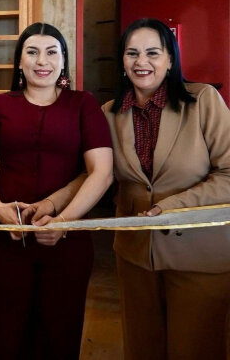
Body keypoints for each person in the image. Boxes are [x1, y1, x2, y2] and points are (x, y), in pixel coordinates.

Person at [0, 22, 114, 360]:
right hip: (7, 236)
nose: (42, 61)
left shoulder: (83, 104)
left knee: (60, 333)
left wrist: (64, 220)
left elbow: (102, 172)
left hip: (68, 240)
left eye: (52, 52)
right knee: (7, 332)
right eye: (32, 52)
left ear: (63, 60)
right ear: (19, 61)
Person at [101, 18, 230, 360]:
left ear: (170, 59)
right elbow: (95, 176)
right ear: (122, 60)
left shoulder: (204, 101)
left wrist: (173, 207)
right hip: (135, 256)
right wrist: (54, 208)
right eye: (132, 53)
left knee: (195, 349)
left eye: (152, 53)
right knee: (142, 349)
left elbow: (229, 173)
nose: (141, 62)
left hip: (201, 256)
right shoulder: (108, 113)